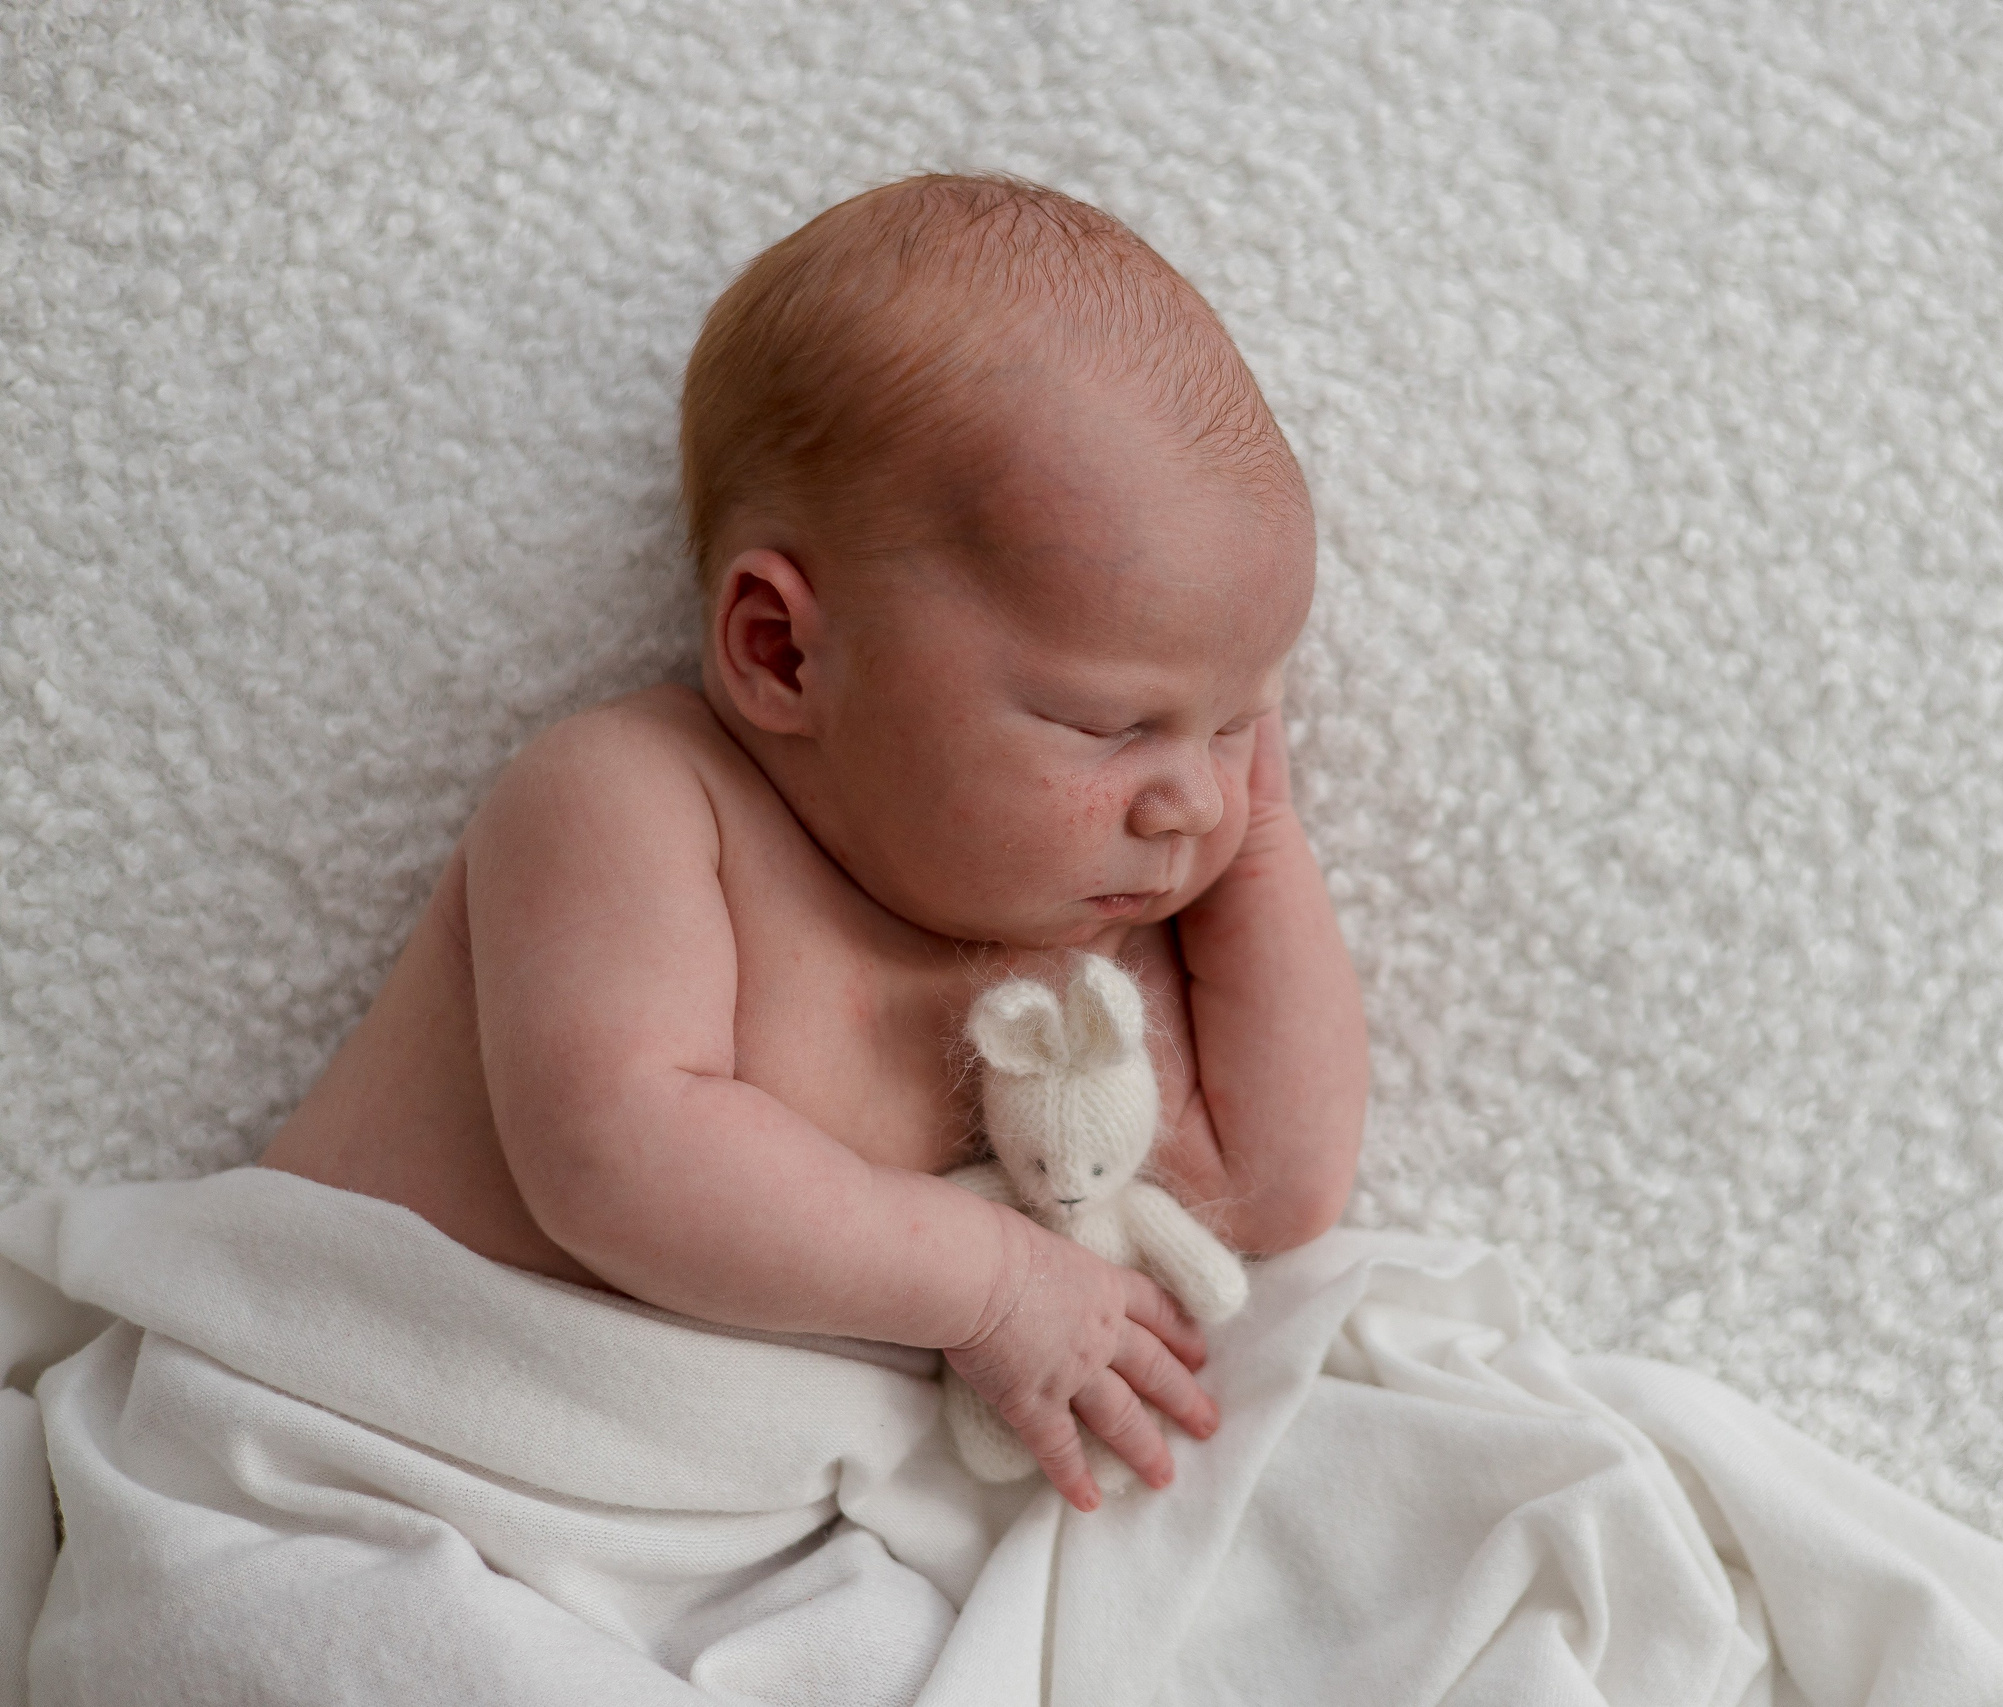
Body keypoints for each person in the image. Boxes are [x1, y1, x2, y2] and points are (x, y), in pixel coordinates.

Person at [259, 173, 1370, 1515]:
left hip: (711, 1537)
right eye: (1109, 722)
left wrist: (1266, 839)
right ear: (783, 650)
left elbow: (1275, 1183)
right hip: (377, 1440)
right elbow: (616, 1154)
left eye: (1238, 719)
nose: (1188, 797)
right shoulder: (637, 803)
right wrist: (989, 1283)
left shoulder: (1086, 944)